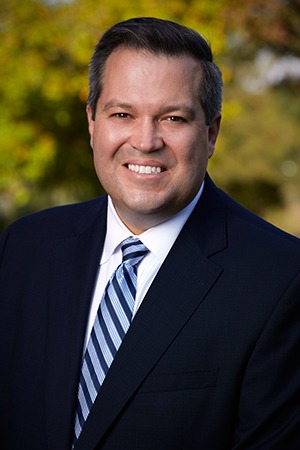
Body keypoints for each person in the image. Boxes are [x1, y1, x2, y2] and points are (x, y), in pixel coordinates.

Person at [0, 17, 300, 450]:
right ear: (91, 121)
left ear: (211, 133)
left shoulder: (280, 279)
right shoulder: (24, 248)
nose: (145, 140)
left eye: (173, 118)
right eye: (122, 114)